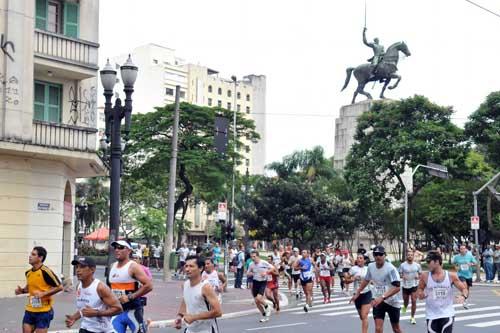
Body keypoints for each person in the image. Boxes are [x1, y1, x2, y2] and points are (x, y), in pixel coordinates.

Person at [351, 245, 402, 333]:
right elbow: (366, 280)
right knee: (378, 328)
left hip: (392, 301)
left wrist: (382, 297)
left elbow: (397, 287)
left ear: (385, 255)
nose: (378, 257)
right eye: (376, 254)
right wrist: (358, 292)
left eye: (380, 254)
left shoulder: (391, 269)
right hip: (378, 301)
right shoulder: (371, 266)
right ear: (373, 256)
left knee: (396, 329)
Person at [65, 257, 122, 333]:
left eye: (82, 267)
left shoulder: (100, 288)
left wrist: (97, 313)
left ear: (92, 269)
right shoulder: (78, 286)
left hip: (102, 330)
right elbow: (85, 309)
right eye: (77, 267)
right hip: (85, 328)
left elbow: (118, 309)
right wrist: (74, 317)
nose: (78, 270)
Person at [417, 250, 469, 333]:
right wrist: (420, 294)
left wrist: (463, 296)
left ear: (437, 262)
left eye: (429, 262)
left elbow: (464, 289)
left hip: (447, 314)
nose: (427, 264)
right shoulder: (425, 276)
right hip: (431, 315)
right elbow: (419, 289)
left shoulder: (451, 276)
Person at [108, 240, 153, 333]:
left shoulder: (133, 266)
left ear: (129, 251)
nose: (117, 250)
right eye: (115, 247)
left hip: (133, 311)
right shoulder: (112, 266)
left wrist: (130, 296)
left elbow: (149, 285)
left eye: (120, 247)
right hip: (117, 311)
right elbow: (109, 288)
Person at [15, 246, 63, 333]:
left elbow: (59, 287)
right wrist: (21, 291)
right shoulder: (28, 273)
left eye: (33, 254)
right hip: (30, 309)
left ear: (40, 258)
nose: (30, 256)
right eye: (30, 254)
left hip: (44, 311)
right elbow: (30, 288)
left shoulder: (45, 271)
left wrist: (43, 294)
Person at [174, 256, 222, 333]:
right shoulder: (185, 285)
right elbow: (185, 301)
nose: (187, 269)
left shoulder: (205, 287)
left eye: (191, 266)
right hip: (190, 330)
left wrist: (194, 317)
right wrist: (179, 316)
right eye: (186, 266)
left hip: (206, 330)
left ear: (200, 268)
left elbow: (218, 312)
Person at [346, 254, 371, 333]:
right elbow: (346, 280)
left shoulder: (368, 269)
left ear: (364, 260)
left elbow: (373, 279)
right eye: (358, 258)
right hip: (357, 294)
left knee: (364, 316)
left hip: (367, 293)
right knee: (361, 316)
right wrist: (353, 279)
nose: (359, 260)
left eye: (361, 258)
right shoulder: (353, 269)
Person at [247, 250, 274, 322]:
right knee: (257, 302)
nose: (253, 258)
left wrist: (266, 272)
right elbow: (247, 273)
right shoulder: (251, 264)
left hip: (263, 282)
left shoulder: (263, 262)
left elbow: (272, 268)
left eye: (254, 256)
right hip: (255, 282)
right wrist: (251, 274)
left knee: (259, 298)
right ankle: (265, 316)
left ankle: (267, 306)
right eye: (251, 257)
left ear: (258, 256)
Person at [399, 251, 421, 324]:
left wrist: (418, 276)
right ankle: (405, 307)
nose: (410, 256)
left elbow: (420, 274)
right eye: (408, 255)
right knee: (406, 301)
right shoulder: (402, 265)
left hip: (414, 285)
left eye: (411, 255)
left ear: (413, 256)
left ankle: (412, 317)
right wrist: (402, 276)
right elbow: (399, 273)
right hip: (405, 286)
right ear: (406, 256)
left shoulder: (417, 265)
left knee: (414, 301)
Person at [452, 244, 476, 309]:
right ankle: (462, 297)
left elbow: (475, 263)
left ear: (466, 249)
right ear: (459, 250)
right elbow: (454, 263)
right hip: (461, 274)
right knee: (464, 286)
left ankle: (465, 300)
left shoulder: (470, 256)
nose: (462, 250)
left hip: (469, 274)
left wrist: (471, 264)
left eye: (463, 249)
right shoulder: (457, 257)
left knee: (467, 289)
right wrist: (456, 268)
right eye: (461, 249)